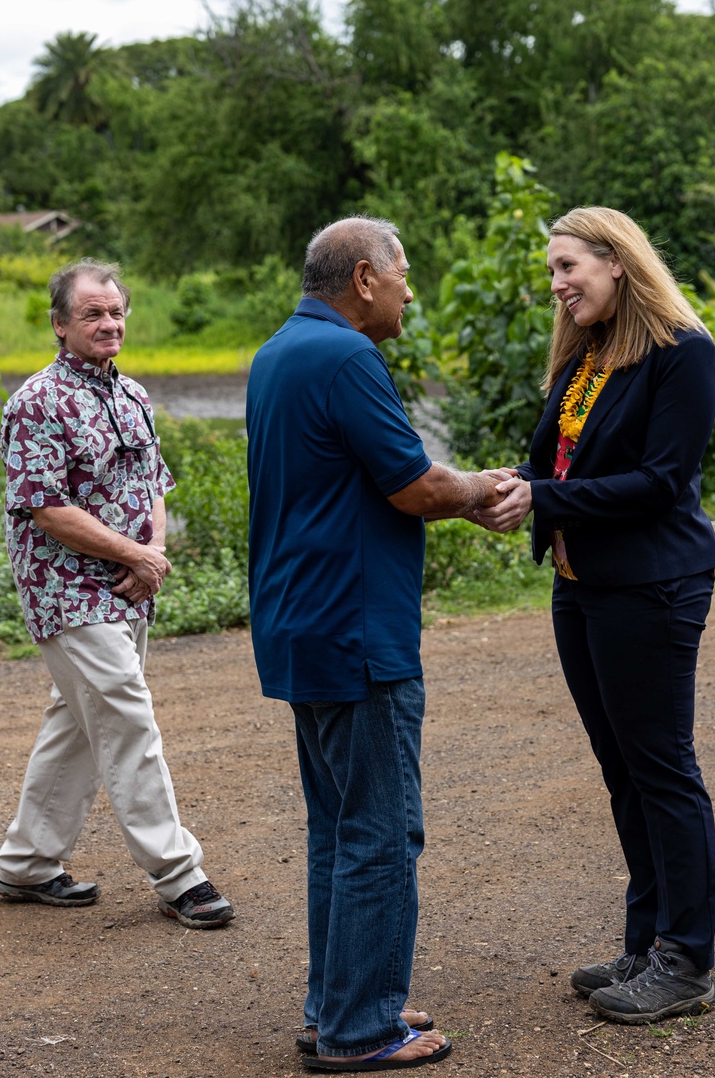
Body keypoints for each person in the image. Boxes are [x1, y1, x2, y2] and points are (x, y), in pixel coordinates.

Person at [246, 217, 506, 1071]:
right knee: (383, 834)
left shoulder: (279, 350)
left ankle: (341, 1002)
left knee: (338, 827)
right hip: (356, 630)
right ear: (363, 278)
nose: (409, 291)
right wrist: (484, 490)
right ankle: (361, 1029)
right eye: (402, 275)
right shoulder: (349, 358)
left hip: (300, 623)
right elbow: (416, 486)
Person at [472, 207, 715, 1025]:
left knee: (661, 768)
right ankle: (649, 937)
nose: (557, 285)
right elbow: (554, 464)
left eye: (567, 266)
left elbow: (661, 482)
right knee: (621, 769)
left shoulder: (683, 353)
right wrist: (500, 485)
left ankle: (685, 961)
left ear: (617, 261)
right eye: (552, 270)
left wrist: (543, 495)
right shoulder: (587, 357)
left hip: (652, 585)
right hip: (581, 585)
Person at [0, 258, 234, 930]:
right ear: (60, 323)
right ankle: (181, 876)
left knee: (77, 724)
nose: (109, 323)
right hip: (67, 591)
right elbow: (46, 508)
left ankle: (27, 865)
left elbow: (152, 483)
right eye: (93, 313)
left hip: (130, 585)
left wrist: (148, 554)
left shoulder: (132, 394)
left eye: (116, 312)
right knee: (126, 716)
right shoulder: (35, 402)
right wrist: (135, 555)